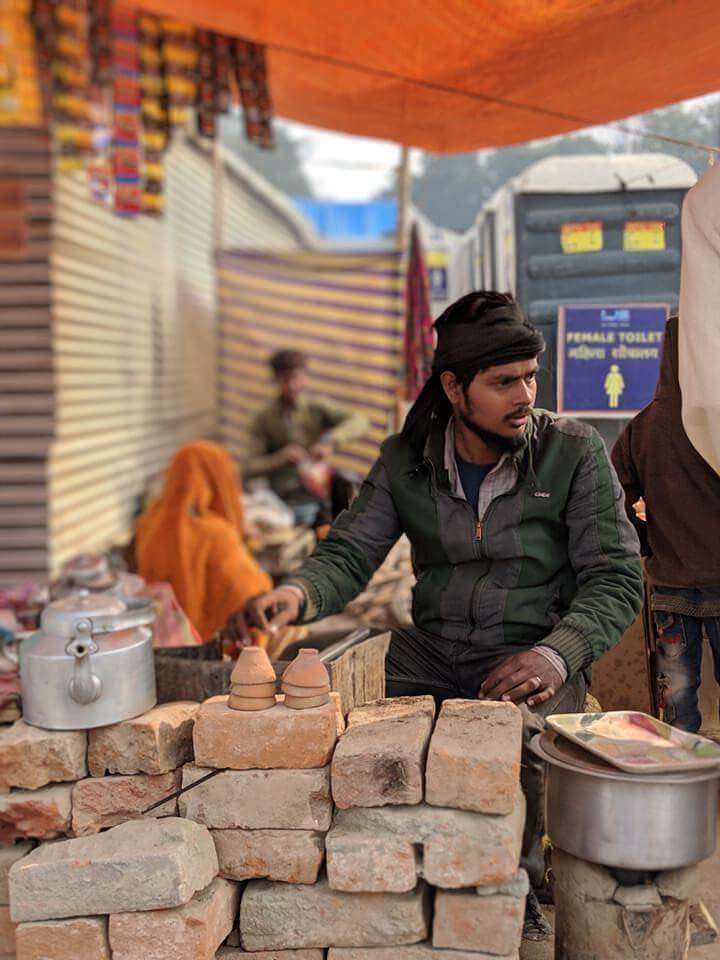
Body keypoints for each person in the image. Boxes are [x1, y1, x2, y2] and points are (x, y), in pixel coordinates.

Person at [227, 292, 644, 941]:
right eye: (504, 382)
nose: (526, 394)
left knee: (524, 739)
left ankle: (517, 882)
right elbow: (350, 550)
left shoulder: (574, 453)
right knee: (323, 693)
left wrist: (557, 654)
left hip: (530, 648)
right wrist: (297, 596)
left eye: (531, 377)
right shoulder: (406, 460)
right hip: (435, 647)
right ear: (454, 387)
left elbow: (617, 578)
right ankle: (365, 865)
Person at [612, 317, 720, 733]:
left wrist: (645, 541)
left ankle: (680, 783)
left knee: (676, 697)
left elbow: (610, 496)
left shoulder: (643, 427)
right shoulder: (710, 422)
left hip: (669, 587)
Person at [135, 440, 272, 643]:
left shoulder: (147, 523)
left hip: (162, 640)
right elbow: (248, 599)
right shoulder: (216, 533)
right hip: (213, 646)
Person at [244, 350, 369, 524]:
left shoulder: (316, 407)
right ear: (276, 380)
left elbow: (360, 421)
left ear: (305, 377)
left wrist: (330, 441)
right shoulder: (263, 417)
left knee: (353, 493)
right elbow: (249, 466)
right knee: (307, 515)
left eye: (297, 378)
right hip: (286, 491)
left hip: (318, 482)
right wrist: (280, 458)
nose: (292, 385)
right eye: (285, 379)